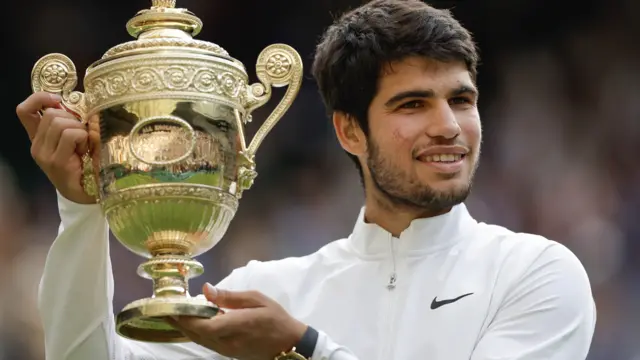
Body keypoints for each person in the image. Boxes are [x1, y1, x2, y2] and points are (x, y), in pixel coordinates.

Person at [17, 0, 596, 359]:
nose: (448, 126)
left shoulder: (535, 272)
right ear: (349, 132)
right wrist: (83, 209)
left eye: (461, 100)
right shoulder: (270, 293)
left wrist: (302, 348)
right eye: (412, 105)